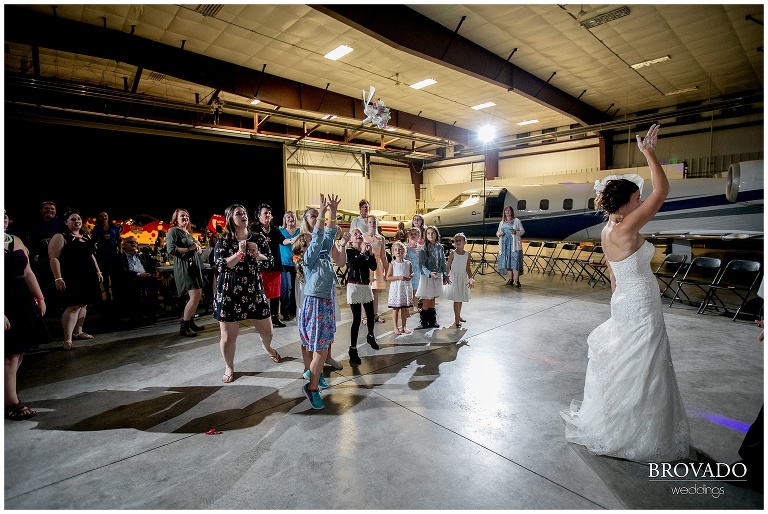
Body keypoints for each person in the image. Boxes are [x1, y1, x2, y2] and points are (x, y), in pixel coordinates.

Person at [560, 124, 694, 462]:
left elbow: (613, 273)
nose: (641, 201)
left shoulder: (608, 230)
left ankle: (624, 420)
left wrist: (617, 300)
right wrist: (649, 153)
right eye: (637, 198)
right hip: (641, 303)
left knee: (632, 361)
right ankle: (638, 431)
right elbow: (662, 192)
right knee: (646, 364)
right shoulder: (626, 226)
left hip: (625, 300)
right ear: (625, 204)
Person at [214, 204, 281, 383]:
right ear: (230, 218)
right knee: (228, 337)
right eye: (238, 213)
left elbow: (270, 262)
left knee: (268, 330)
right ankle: (229, 366)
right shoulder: (224, 240)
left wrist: (257, 253)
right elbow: (220, 265)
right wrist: (239, 254)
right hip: (229, 290)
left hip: (253, 289)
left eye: (244, 212)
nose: (243, 215)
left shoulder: (258, 238)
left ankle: (267, 348)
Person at [298, 194, 342, 410]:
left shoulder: (322, 254)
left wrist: (333, 211)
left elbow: (329, 235)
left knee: (322, 348)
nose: (313, 240)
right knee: (320, 349)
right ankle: (312, 387)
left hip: (324, 301)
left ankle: (315, 376)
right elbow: (317, 238)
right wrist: (323, 212)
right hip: (315, 303)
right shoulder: (308, 257)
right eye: (308, 240)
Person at [4, 210, 49, 420]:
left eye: (4, 214)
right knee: (10, 355)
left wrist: (39, 298)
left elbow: (28, 271)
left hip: (21, 298)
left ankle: (7, 395)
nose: (3, 217)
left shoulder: (16, 240)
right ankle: (11, 403)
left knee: (20, 352)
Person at [299, 206, 351, 371]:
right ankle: (310, 368)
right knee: (309, 328)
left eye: (318, 215)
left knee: (326, 325)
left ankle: (325, 357)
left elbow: (340, 262)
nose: (316, 218)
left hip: (326, 287)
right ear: (306, 220)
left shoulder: (325, 241)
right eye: (312, 216)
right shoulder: (304, 240)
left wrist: (342, 245)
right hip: (309, 288)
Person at [48, 209, 103, 350]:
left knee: (84, 304)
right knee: (73, 306)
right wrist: (58, 277)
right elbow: (54, 258)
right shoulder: (61, 236)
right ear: (66, 222)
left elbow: (91, 255)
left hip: (88, 275)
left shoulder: (85, 236)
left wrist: (98, 271)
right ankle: (67, 339)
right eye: (73, 219)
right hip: (72, 276)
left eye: (78, 219)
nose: (77, 221)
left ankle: (78, 331)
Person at [166, 208, 205, 337]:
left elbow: (195, 246)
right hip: (184, 267)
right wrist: (189, 248)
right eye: (182, 216)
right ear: (176, 218)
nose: (185, 218)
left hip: (194, 266)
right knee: (194, 297)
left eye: (187, 216)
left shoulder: (187, 232)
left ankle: (191, 322)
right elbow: (171, 250)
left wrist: (197, 248)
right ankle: (184, 326)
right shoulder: (173, 231)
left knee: (197, 296)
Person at [345, 227, 379, 364]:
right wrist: (362, 253)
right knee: (357, 319)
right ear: (351, 239)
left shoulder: (365, 252)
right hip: (354, 286)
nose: (358, 235)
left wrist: (370, 254)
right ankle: (353, 349)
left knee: (371, 315)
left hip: (365, 286)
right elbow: (353, 266)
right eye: (355, 234)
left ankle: (370, 335)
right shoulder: (349, 251)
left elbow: (374, 267)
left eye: (360, 234)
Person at [113, 236, 161, 325]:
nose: (133, 244)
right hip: (131, 279)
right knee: (134, 288)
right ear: (124, 245)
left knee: (156, 283)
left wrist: (155, 266)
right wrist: (138, 274)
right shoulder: (119, 258)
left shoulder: (142, 256)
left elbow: (152, 263)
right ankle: (137, 316)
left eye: (135, 242)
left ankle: (153, 312)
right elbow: (122, 271)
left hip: (145, 278)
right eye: (130, 242)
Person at [251, 204, 285, 328]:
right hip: (261, 266)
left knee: (276, 293)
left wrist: (292, 240)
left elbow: (283, 240)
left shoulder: (275, 229)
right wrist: (261, 238)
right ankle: (261, 318)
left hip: (275, 264)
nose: (268, 215)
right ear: (259, 216)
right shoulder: (254, 228)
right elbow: (250, 241)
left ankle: (275, 317)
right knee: (261, 293)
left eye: (269, 213)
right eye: (265, 213)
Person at [26, 201, 61, 316]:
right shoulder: (35, 225)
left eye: (52, 209)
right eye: (46, 209)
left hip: (60, 260)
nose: (50, 211)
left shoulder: (61, 224)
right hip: (43, 261)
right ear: (41, 211)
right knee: (46, 285)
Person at [416, 225, 447, 329]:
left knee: (433, 297)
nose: (431, 235)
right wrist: (429, 273)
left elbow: (443, 262)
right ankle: (424, 320)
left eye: (433, 233)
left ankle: (432, 320)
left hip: (437, 275)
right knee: (427, 298)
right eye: (428, 233)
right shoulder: (423, 248)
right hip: (427, 276)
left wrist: (445, 274)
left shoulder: (440, 247)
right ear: (426, 235)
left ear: (436, 234)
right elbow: (421, 265)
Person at [443, 232, 474, 328]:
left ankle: (458, 315)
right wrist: (446, 276)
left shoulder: (467, 254)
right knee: (456, 299)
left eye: (460, 240)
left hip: (462, 278)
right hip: (454, 278)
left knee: (460, 298)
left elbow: (468, 268)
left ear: (465, 242)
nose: (458, 242)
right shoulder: (453, 253)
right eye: (456, 241)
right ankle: (456, 318)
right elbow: (448, 266)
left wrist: (471, 278)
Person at [91, 211, 122, 302]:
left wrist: (120, 252)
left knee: (114, 275)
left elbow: (119, 240)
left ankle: (115, 294)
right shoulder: (97, 228)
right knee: (104, 275)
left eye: (105, 216)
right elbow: (93, 241)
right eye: (101, 216)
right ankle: (107, 295)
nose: (104, 217)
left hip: (113, 255)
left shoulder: (114, 227)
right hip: (102, 255)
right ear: (99, 218)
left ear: (108, 217)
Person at [364, 214, 388, 323]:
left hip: (377, 266)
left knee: (375, 291)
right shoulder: (363, 237)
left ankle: (374, 315)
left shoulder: (381, 238)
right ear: (367, 224)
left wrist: (387, 270)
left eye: (374, 222)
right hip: (366, 265)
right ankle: (365, 317)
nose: (372, 224)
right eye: (370, 222)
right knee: (365, 291)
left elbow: (383, 256)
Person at [386, 241, 414, 335]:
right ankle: (395, 327)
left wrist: (411, 276)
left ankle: (404, 326)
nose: (398, 251)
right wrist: (399, 277)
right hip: (396, 288)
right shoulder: (392, 264)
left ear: (404, 251)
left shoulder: (408, 263)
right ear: (393, 252)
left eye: (400, 249)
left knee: (404, 308)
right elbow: (388, 277)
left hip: (405, 288)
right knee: (396, 308)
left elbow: (411, 273)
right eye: (395, 250)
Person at [278, 210, 300, 322]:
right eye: (288, 217)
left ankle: (293, 310)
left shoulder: (299, 231)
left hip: (296, 263)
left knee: (295, 289)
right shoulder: (280, 231)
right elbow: (283, 242)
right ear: (285, 220)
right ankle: (284, 311)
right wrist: (292, 240)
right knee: (286, 288)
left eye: (292, 217)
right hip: (284, 263)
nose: (291, 219)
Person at [496, 206, 525, 287]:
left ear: (511, 212)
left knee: (515, 262)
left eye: (508, 210)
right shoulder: (502, 222)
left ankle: (517, 280)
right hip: (505, 245)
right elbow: (497, 232)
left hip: (514, 245)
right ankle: (510, 279)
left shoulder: (516, 221)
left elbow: (522, 231)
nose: (507, 212)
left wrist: (516, 232)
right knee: (508, 262)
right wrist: (499, 234)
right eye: (506, 210)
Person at [405, 227, 423, 313]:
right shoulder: (406, 247)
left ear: (418, 236)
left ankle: (415, 306)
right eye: (411, 234)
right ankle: (406, 308)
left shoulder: (420, 248)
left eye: (415, 234)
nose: (413, 236)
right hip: (408, 270)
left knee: (415, 289)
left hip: (417, 271)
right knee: (407, 289)